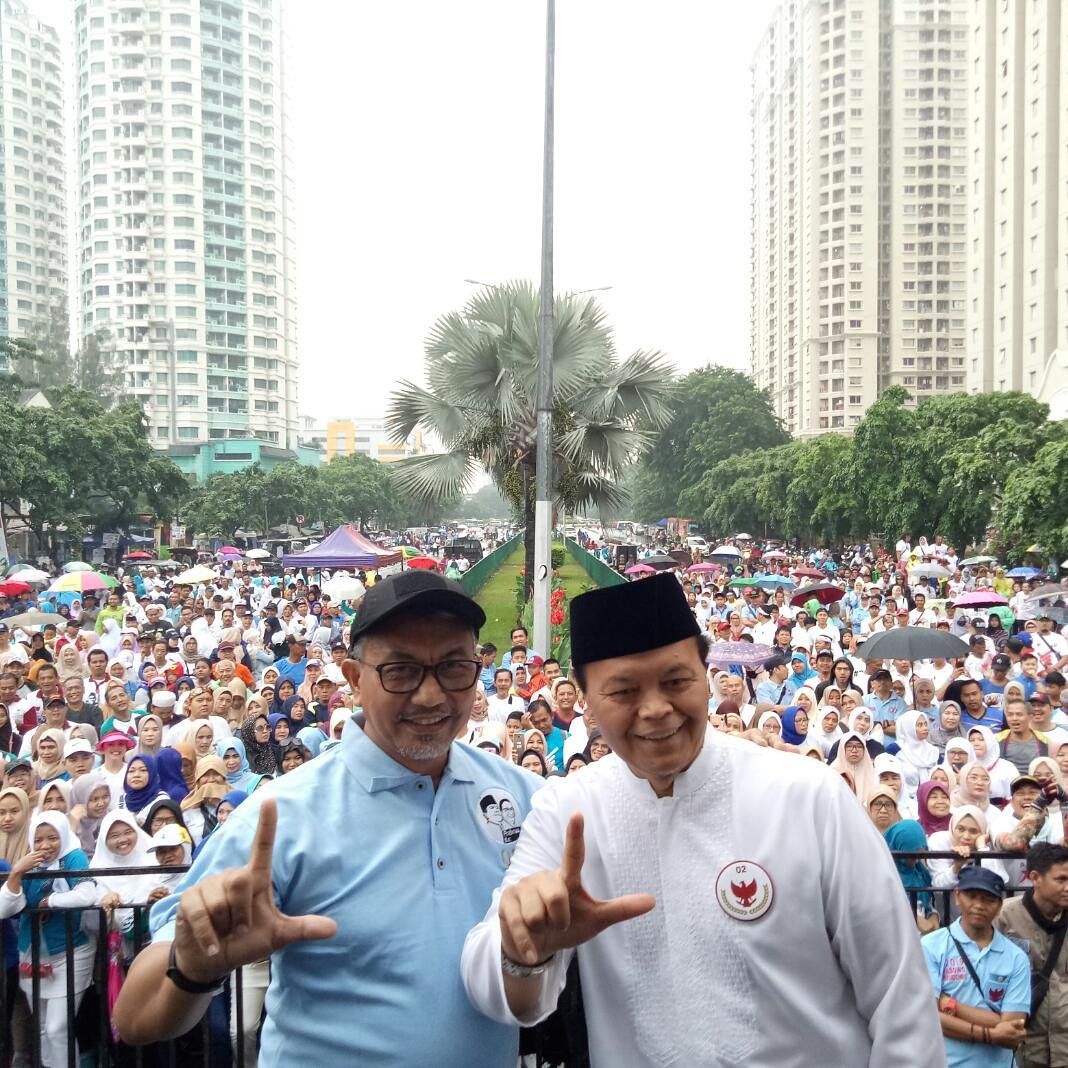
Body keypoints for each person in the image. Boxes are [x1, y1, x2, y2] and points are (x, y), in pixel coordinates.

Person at [462, 572, 945, 1065]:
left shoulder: (808, 797)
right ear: (585, 698)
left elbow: (900, 1001)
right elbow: (488, 980)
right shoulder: (567, 812)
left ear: (705, 673)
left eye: (676, 681)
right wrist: (526, 950)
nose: (655, 709)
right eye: (624, 692)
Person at [114, 570, 542, 1065]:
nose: (431, 695)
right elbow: (133, 1018)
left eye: (453, 668)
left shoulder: (522, 796)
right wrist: (194, 970)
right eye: (400, 671)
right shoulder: (281, 816)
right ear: (355, 679)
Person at [921, 865, 1030, 1066]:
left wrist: (950, 1005)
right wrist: (990, 1033)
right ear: (957, 896)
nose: (979, 905)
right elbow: (927, 1016)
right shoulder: (931, 946)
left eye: (989, 899)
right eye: (971, 896)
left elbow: (1012, 1026)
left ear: (999, 906)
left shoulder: (1016, 957)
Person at [994, 843, 1068, 1068]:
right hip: (1025, 1041)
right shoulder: (1004, 916)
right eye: (1061, 879)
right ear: (1035, 878)